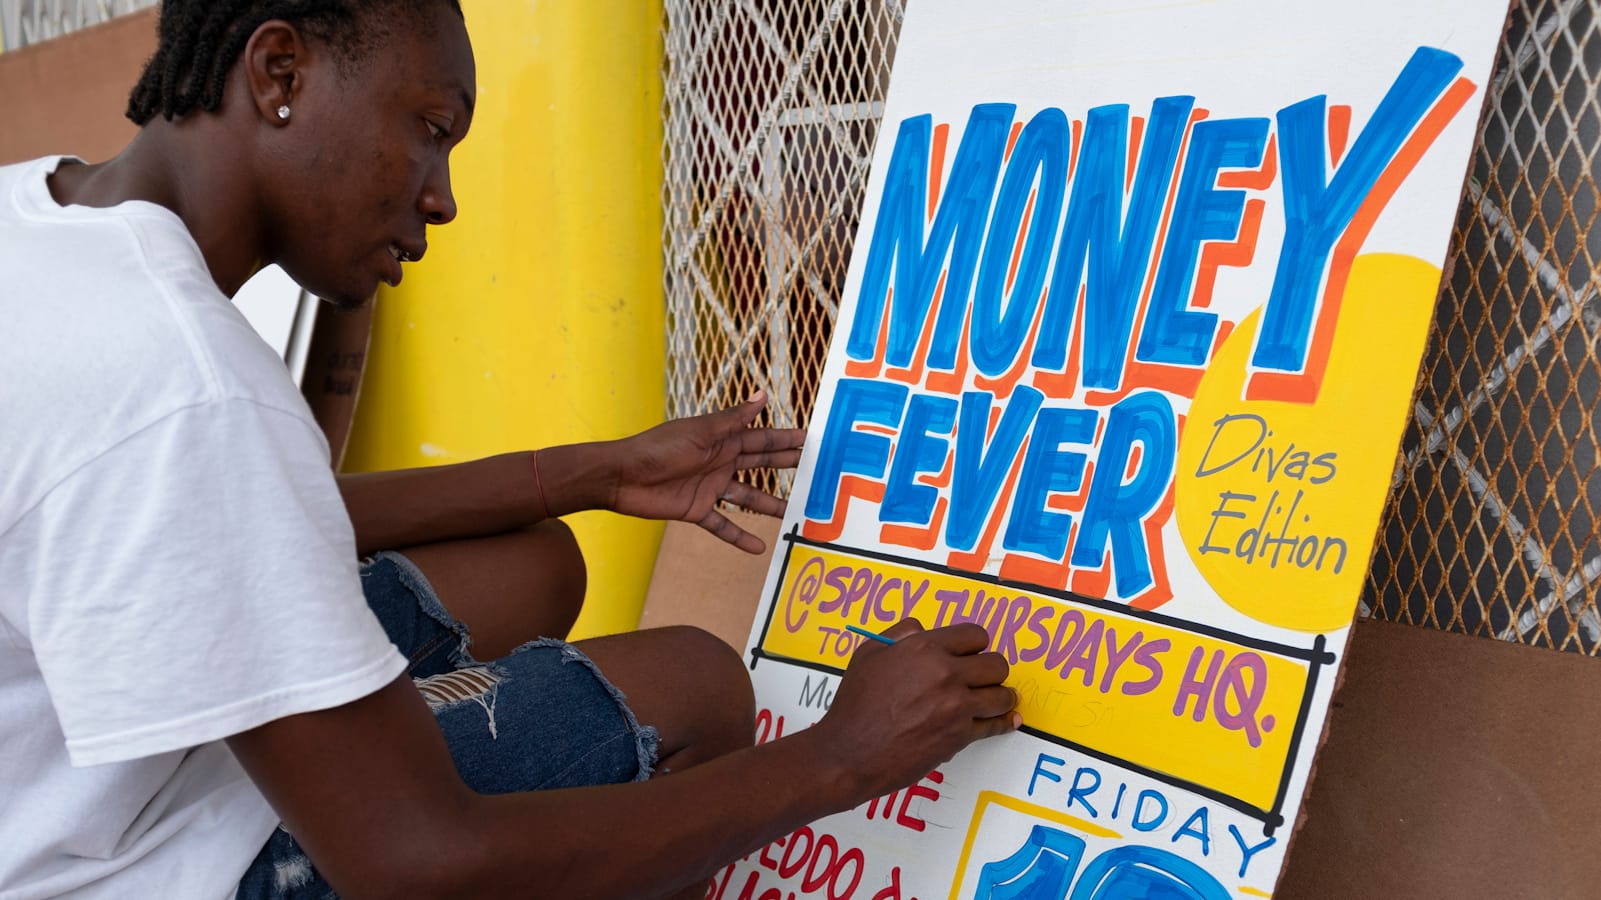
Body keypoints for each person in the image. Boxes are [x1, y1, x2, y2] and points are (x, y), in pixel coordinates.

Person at [0, 1, 1021, 898]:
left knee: (529, 559)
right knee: (694, 689)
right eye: (429, 130)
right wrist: (841, 758)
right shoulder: (189, 380)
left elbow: (235, 509)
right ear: (278, 74)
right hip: (117, 866)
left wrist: (594, 474)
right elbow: (416, 863)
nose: (441, 197)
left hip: (63, 780)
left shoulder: (34, 214)